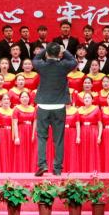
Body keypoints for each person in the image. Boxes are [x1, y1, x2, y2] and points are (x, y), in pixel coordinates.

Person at [31, 42, 76, 176]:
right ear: (59, 54)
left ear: (47, 53)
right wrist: (64, 50)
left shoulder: (42, 66)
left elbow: (35, 58)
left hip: (43, 105)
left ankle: (42, 165)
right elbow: (73, 61)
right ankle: (57, 168)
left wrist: (45, 49)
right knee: (59, 139)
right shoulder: (64, 65)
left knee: (42, 137)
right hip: (59, 106)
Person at [75, 92, 101, 173]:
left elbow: (100, 124)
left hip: (93, 131)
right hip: (83, 131)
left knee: (92, 152)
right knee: (83, 151)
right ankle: (83, 172)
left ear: (92, 100)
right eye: (85, 98)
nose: (87, 99)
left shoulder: (96, 109)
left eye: (89, 98)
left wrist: (99, 136)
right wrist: (78, 136)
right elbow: (77, 124)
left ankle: (93, 171)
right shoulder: (79, 110)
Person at [14, 91, 37, 173]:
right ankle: (21, 171)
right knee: (21, 151)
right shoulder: (16, 109)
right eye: (22, 97)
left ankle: (31, 171)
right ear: (20, 99)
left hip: (30, 131)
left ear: (29, 98)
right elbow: (15, 123)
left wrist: (33, 134)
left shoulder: (33, 109)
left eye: (26, 97)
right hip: (21, 131)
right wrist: (16, 137)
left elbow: (35, 122)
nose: (24, 99)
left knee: (31, 151)